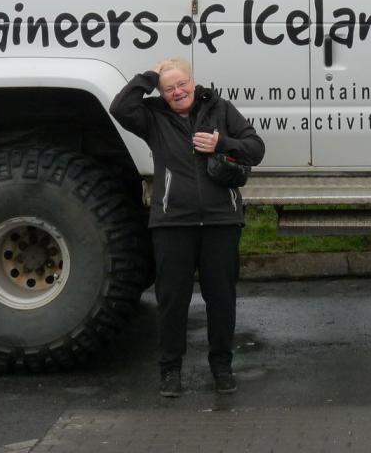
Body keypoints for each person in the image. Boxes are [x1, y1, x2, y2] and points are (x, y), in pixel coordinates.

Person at [111, 57, 266, 398]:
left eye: (182, 84)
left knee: (221, 299)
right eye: (169, 88)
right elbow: (120, 107)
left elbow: (256, 149)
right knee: (172, 300)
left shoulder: (221, 110)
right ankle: (170, 371)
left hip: (221, 221)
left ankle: (222, 368)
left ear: (193, 84)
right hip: (172, 222)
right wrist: (151, 75)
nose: (177, 92)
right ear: (162, 94)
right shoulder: (152, 118)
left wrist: (222, 144)